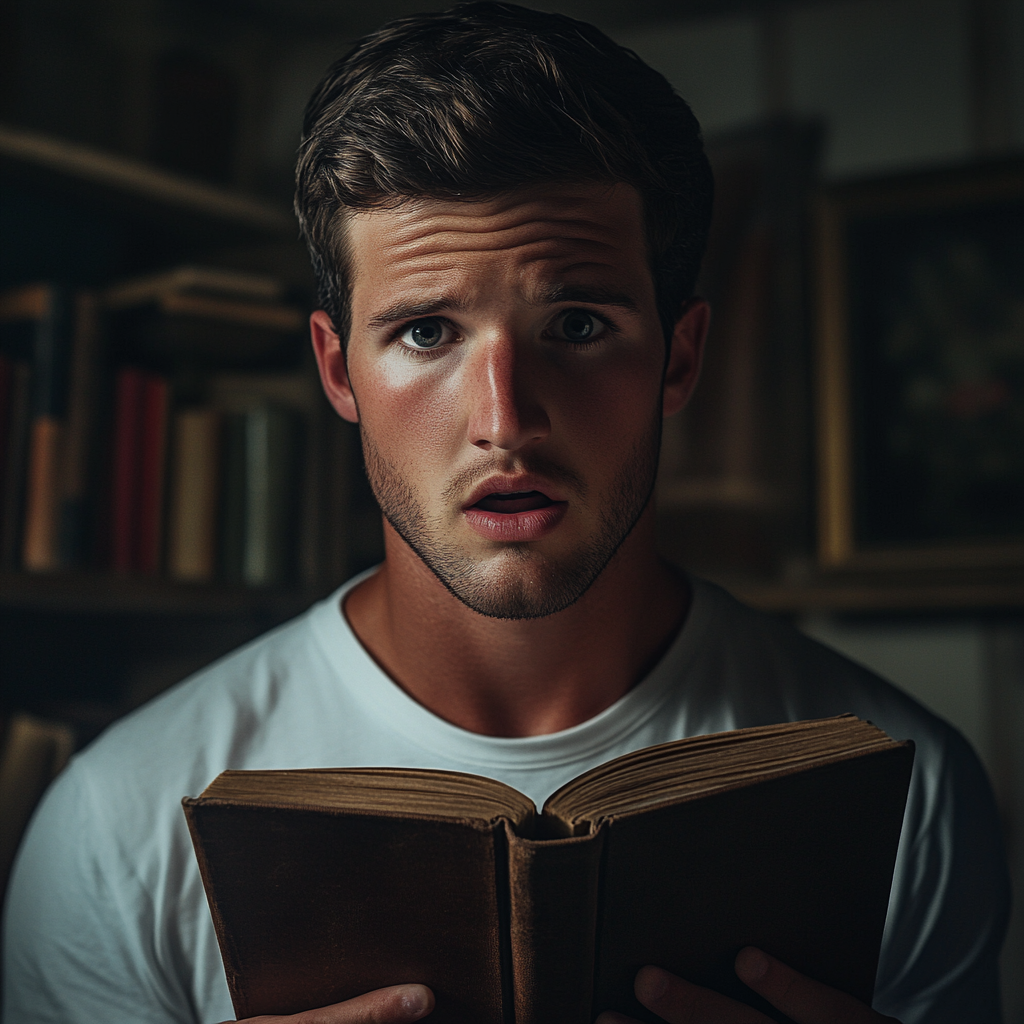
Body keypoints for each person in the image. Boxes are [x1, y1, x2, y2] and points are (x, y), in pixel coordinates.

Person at [3, 4, 1010, 1023]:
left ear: (679, 355)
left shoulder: (905, 793)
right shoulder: (116, 821)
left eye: (575, 324)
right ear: (335, 369)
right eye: (427, 330)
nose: (504, 421)